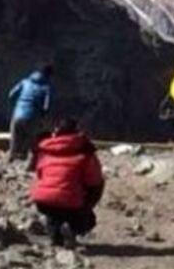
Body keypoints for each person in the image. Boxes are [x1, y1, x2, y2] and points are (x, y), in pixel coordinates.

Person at [30, 118, 104, 248]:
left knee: (53, 213)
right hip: (71, 202)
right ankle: (73, 228)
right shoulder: (85, 150)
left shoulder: (44, 148)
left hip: (43, 201)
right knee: (87, 218)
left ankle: (55, 237)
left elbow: (40, 174)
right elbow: (95, 181)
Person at [7, 64, 53, 160]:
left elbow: (11, 95)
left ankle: (11, 156)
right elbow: (46, 106)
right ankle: (26, 161)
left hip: (18, 114)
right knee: (30, 139)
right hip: (32, 117)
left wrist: (17, 106)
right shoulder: (46, 88)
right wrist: (41, 116)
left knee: (15, 136)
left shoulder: (25, 82)